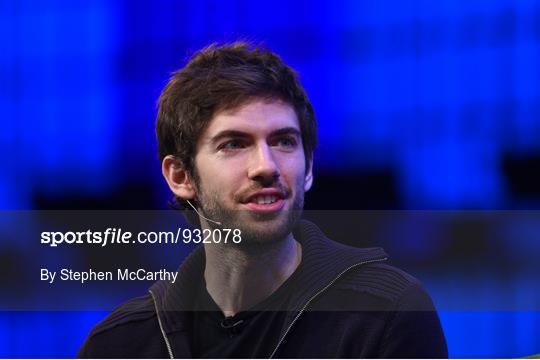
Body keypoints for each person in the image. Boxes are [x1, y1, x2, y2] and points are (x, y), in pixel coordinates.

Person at [78, 42, 448, 358]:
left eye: (284, 141)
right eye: (234, 144)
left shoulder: (384, 314)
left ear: (308, 168)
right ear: (180, 176)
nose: (266, 166)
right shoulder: (118, 344)